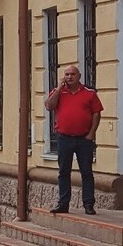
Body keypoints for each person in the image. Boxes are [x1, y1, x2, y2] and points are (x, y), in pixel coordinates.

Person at [44, 64, 103, 215]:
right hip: (64, 138)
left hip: (84, 139)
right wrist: (58, 88)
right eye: (67, 74)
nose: (69, 77)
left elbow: (96, 113)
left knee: (86, 172)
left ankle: (88, 204)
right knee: (64, 172)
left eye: (73, 74)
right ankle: (63, 203)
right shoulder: (59, 92)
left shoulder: (89, 93)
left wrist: (91, 133)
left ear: (79, 76)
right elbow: (49, 106)